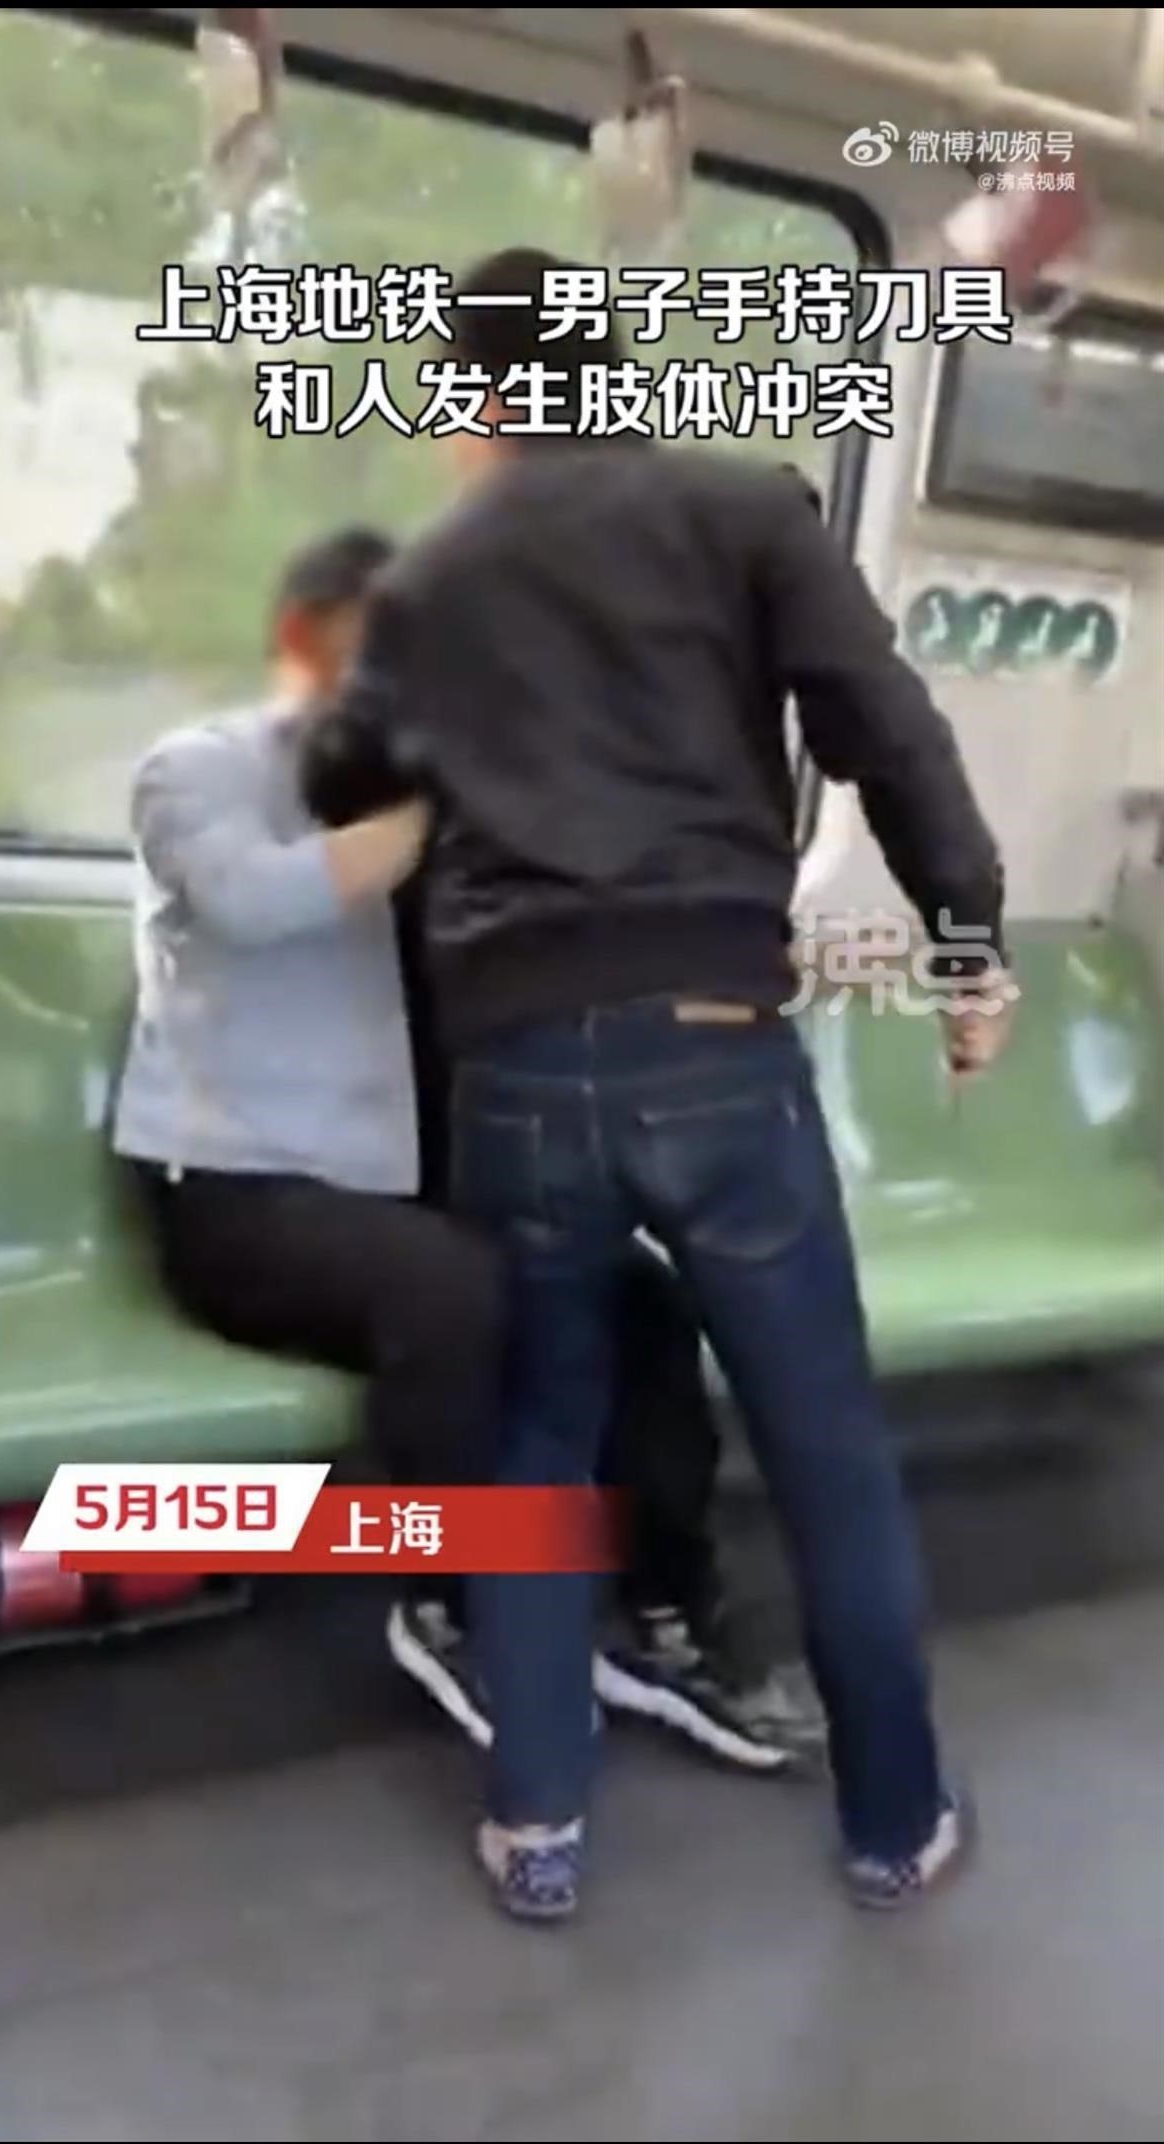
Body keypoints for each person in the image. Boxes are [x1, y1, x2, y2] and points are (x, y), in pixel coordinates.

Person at [302, 247, 1016, 1921]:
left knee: (537, 1442)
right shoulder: (746, 509)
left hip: (515, 1071)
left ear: (486, 396)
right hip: (715, 1046)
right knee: (826, 1446)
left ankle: (538, 1823)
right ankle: (895, 1820)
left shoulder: (431, 575)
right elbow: (884, 726)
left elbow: (342, 780)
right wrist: (967, 945)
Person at [111, 525, 825, 1771]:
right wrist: (441, 806)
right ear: (302, 642)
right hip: (233, 1193)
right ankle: (456, 1601)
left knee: (641, 1299)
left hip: (408, 1187)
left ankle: (668, 1610)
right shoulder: (197, 771)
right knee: (456, 1289)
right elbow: (249, 900)